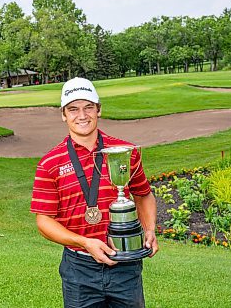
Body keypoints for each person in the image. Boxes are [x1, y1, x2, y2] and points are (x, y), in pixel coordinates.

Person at [31, 77, 159, 308]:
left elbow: (143, 194)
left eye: (88, 107)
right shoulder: (50, 163)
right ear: (64, 114)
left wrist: (149, 229)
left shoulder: (124, 152)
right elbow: (43, 221)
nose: (82, 115)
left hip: (125, 266)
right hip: (79, 268)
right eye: (73, 109)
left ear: (98, 110)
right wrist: (84, 242)